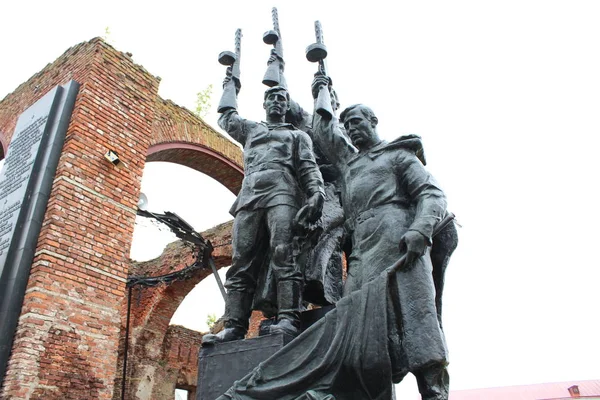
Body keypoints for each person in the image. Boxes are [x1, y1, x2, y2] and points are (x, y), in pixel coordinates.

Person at [311, 97, 451, 399]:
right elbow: (324, 131)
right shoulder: (350, 165)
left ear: (373, 122)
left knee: (417, 320)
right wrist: (320, 93)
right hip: (363, 250)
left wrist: (420, 229)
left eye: (357, 123)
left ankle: (434, 393)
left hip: (400, 242)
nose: (352, 130)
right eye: (347, 126)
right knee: (356, 326)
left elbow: (432, 194)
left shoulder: (397, 156)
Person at [202, 83, 325, 345]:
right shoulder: (251, 129)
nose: (277, 102)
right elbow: (226, 116)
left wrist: (317, 194)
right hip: (250, 197)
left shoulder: (298, 137)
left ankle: (288, 318)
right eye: (272, 98)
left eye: (282, 99)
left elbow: (308, 168)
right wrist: (230, 86)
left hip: (283, 194)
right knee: (241, 260)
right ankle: (234, 326)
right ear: (265, 104)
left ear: (287, 105)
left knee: (284, 253)